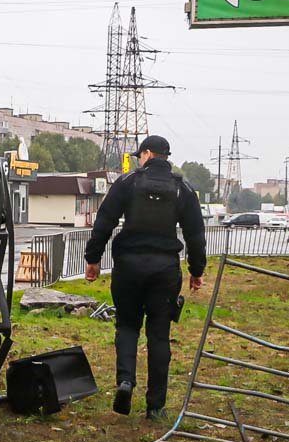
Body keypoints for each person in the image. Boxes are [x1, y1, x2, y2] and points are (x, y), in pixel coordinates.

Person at [84, 136, 207, 421]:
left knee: (127, 326)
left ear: (147, 154)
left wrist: (93, 259)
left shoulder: (127, 183)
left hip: (127, 267)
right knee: (159, 335)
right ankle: (155, 406)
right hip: (165, 271)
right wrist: (196, 271)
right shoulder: (183, 189)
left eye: (140, 155)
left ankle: (126, 381)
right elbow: (195, 236)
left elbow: (104, 221)